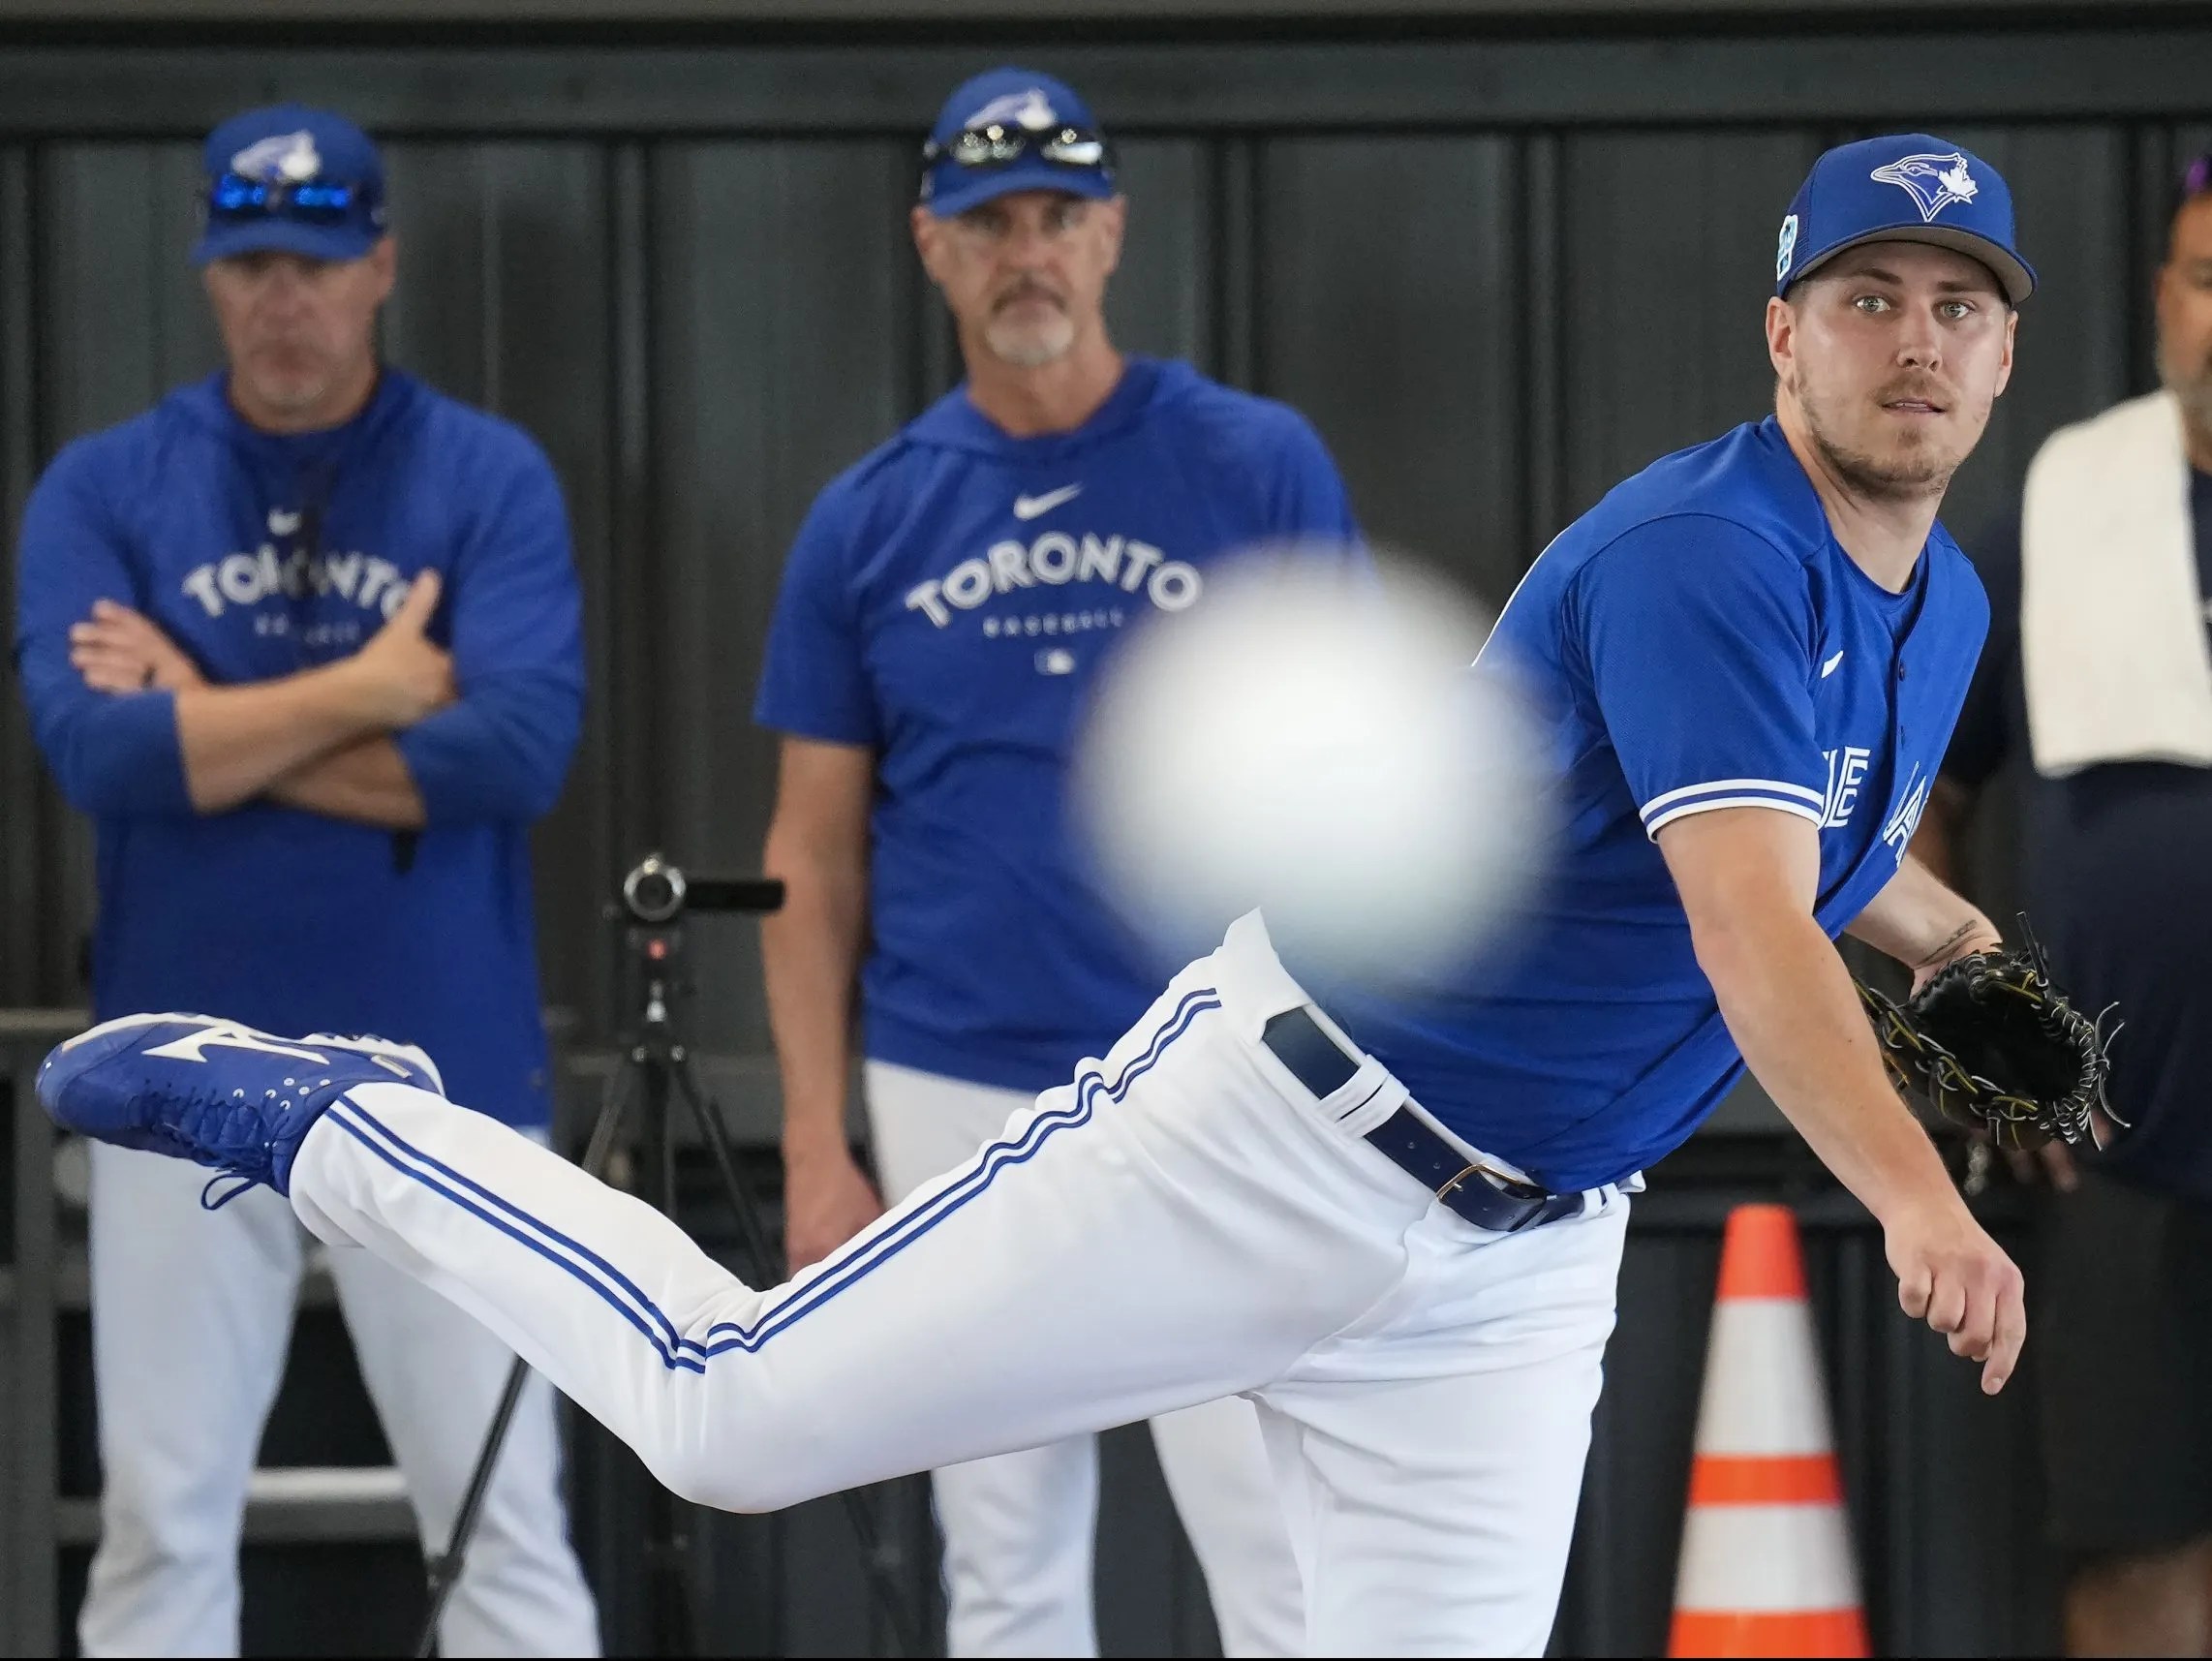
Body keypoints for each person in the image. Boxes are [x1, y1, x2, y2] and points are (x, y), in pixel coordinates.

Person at [40, 131, 2035, 1657]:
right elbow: (1741, 920)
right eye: (1868, 296)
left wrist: (1961, 950)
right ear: (1780, 330)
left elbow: (1823, 854)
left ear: (2006, 351)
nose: (1915, 342)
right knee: (729, 1419)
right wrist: (1916, 1197)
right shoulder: (1706, 550)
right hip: (1280, 1139)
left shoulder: (1934, 597)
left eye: (1957, 307)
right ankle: (340, 1119)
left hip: (1511, 1263)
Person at [754, 66, 1352, 1657]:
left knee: (1276, 1537)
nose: (1025, 254)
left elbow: (1349, 783)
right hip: (956, 1076)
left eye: (1055, 218)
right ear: (931, 247)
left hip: (1217, 1067)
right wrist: (814, 1142)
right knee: (1002, 1548)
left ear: (1110, 235)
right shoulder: (867, 521)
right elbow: (810, 852)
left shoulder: (1254, 464)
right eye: (989, 224)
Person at [12, 104, 599, 1656]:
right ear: (209, 273)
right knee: (160, 1521)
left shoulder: (484, 475)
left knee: (501, 1517)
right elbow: (96, 752)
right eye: (254, 265)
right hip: (177, 1062)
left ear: (380, 267)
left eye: (318, 266)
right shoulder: (106, 486)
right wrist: (376, 692)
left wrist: (201, 710)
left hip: (443, 1065)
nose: (286, 300)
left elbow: (517, 752)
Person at [1914, 152, 2212, 1658]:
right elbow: (1913, 801)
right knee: (2135, 1555)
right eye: (2211, 281)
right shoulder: (2059, 509)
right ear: (2164, 299)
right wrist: (1977, 1036)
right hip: (2126, 1154)